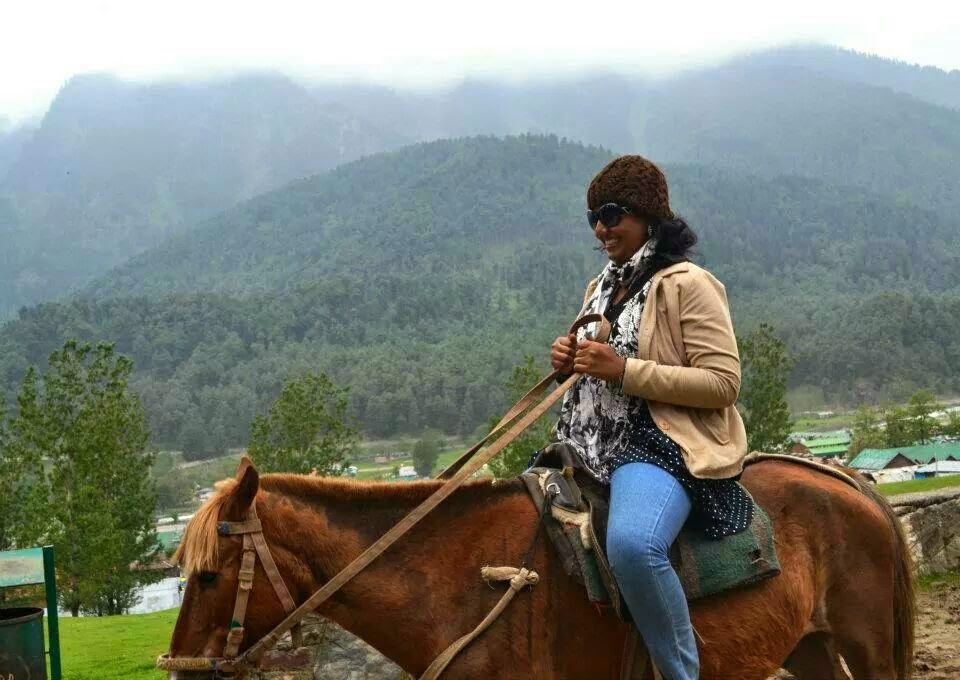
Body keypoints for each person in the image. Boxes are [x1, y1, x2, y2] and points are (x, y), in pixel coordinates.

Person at [550, 155, 749, 680]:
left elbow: (723, 384)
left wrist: (624, 371)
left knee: (634, 547)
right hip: (584, 442)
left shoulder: (689, 283)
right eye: (593, 217)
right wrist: (569, 361)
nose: (600, 228)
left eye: (611, 214)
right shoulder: (600, 286)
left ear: (646, 214)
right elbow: (598, 364)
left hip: (659, 441)